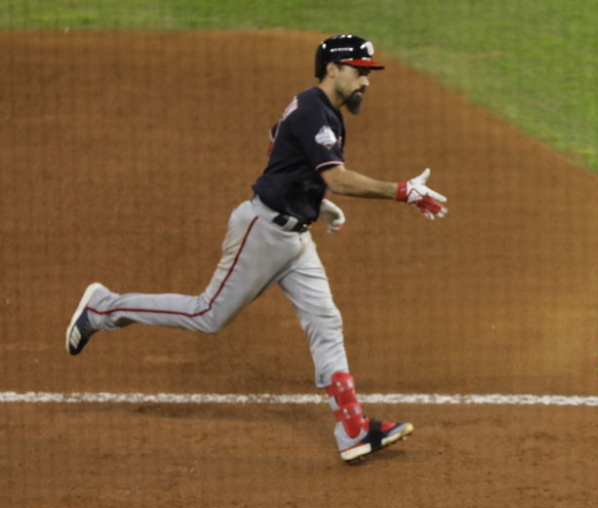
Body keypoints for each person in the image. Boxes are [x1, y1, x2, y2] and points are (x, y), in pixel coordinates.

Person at [64, 34, 448, 465]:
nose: (366, 81)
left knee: (325, 320)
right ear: (332, 69)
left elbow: (279, 150)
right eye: (359, 71)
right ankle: (104, 309)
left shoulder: (316, 110)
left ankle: (352, 427)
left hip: (295, 237)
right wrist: (402, 192)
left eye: (368, 73)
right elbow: (335, 176)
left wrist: (314, 203)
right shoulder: (314, 113)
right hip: (263, 232)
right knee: (206, 315)